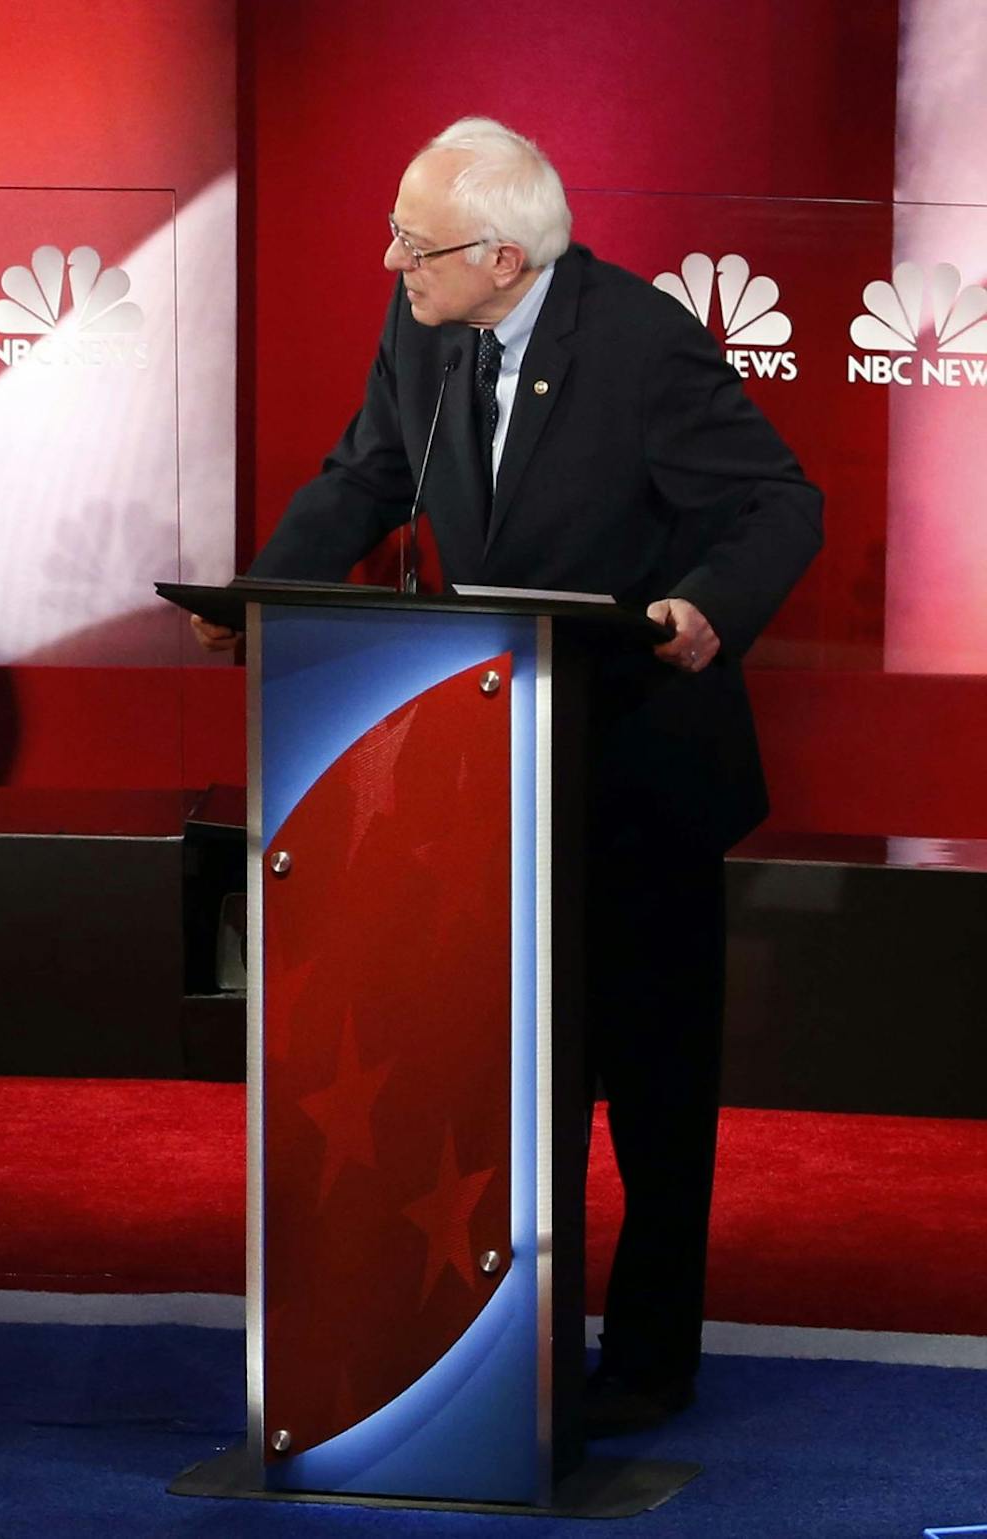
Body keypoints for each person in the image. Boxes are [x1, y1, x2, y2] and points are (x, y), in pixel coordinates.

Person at [196, 117, 822, 1436]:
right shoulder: (420, 331)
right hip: (485, 771)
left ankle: (650, 1356)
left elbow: (780, 503)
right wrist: (258, 596)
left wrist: (705, 610)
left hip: (643, 762)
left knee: (650, 1085)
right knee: (508, 1070)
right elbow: (365, 478)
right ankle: (495, 1329)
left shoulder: (642, 343)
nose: (390, 260)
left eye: (412, 243)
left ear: (498, 253)